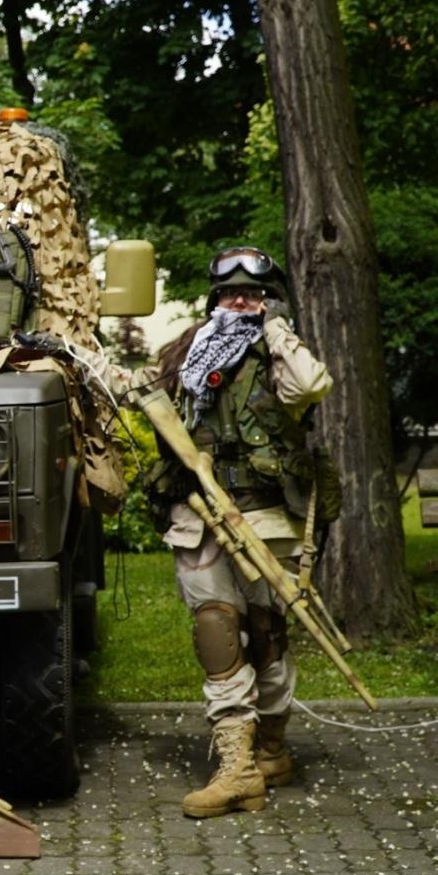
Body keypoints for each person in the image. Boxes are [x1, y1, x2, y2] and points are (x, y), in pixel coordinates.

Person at [88, 246, 331, 818]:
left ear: (272, 302)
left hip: (268, 517)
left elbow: (311, 387)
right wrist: (79, 355)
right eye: (229, 293)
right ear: (213, 299)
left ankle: (271, 748)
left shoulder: (280, 353)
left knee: (268, 633)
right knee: (216, 629)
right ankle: (236, 767)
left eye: (254, 293)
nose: (240, 301)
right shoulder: (190, 352)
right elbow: (135, 388)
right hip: (199, 514)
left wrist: (273, 330)